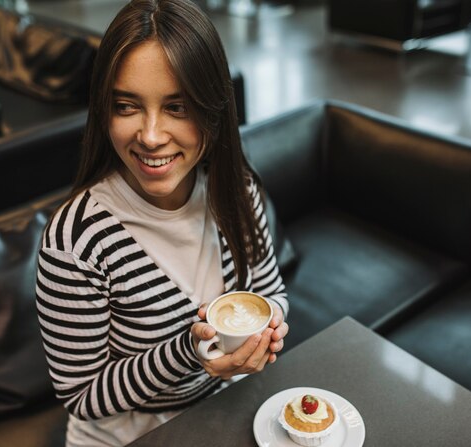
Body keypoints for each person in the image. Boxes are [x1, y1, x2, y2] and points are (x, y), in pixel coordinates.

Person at [35, 0, 289, 445]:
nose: (150, 136)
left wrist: (268, 332)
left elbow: (271, 293)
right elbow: (82, 395)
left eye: (176, 107)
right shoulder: (75, 242)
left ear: (212, 109)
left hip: (218, 412)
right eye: (127, 106)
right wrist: (190, 351)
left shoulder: (238, 191)